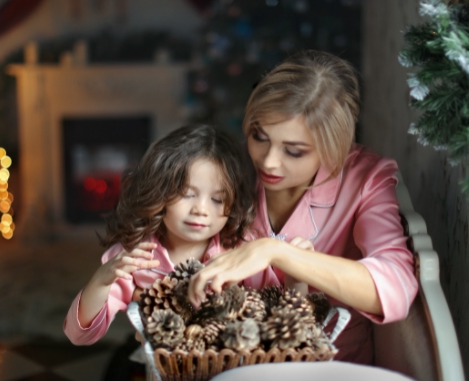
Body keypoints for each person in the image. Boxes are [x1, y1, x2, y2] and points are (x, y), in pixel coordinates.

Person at [188, 50, 418, 365]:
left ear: (333, 148)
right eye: (259, 137)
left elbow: (396, 287)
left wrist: (278, 253)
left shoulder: (365, 178)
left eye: (294, 151)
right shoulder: (227, 168)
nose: (268, 161)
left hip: (333, 369)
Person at [64, 124, 279, 345]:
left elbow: (279, 316)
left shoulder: (243, 249)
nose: (201, 210)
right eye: (187, 194)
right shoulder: (134, 256)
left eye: (217, 199)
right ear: (160, 190)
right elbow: (78, 335)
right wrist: (100, 281)